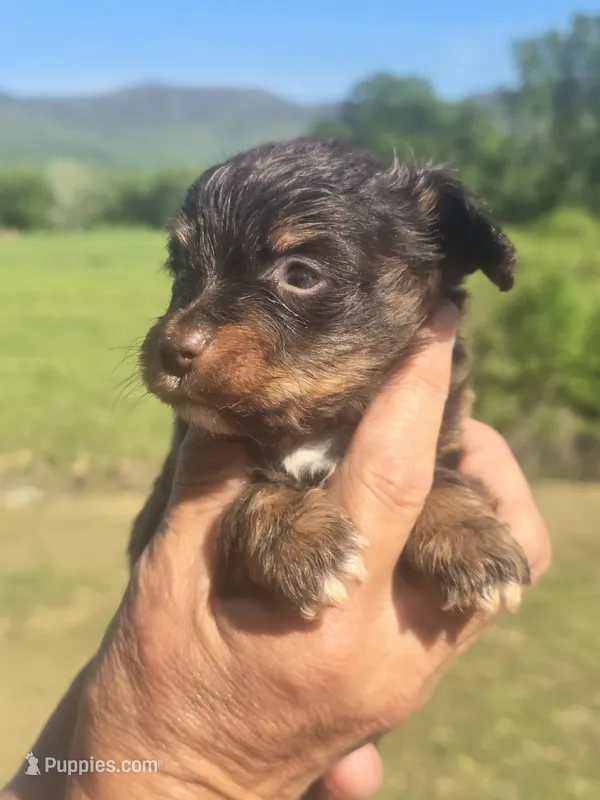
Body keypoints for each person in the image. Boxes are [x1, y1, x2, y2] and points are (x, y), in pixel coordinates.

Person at [2, 306, 550, 800]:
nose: (182, 327)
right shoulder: (229, 420)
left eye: (303, 276)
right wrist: (194, 775)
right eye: (187, 268)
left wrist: (444, 500)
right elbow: (173, 555)